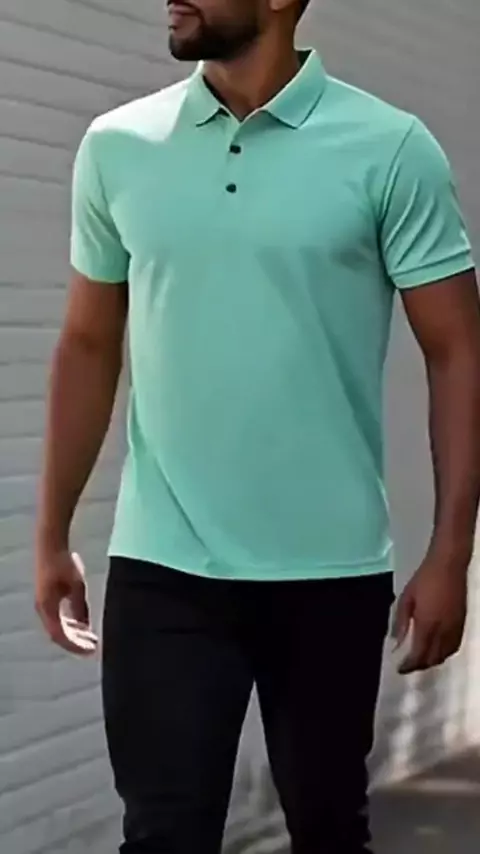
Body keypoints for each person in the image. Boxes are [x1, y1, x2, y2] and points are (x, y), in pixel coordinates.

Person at [35, 0, 480, 851]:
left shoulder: (391, 149)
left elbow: (458, 351)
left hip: (330, 571)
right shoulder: (118, 145)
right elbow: (88, 343)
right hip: (163, 568)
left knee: (328, 831)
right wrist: (52, 533)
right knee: (162, 836)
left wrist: (451, 554)